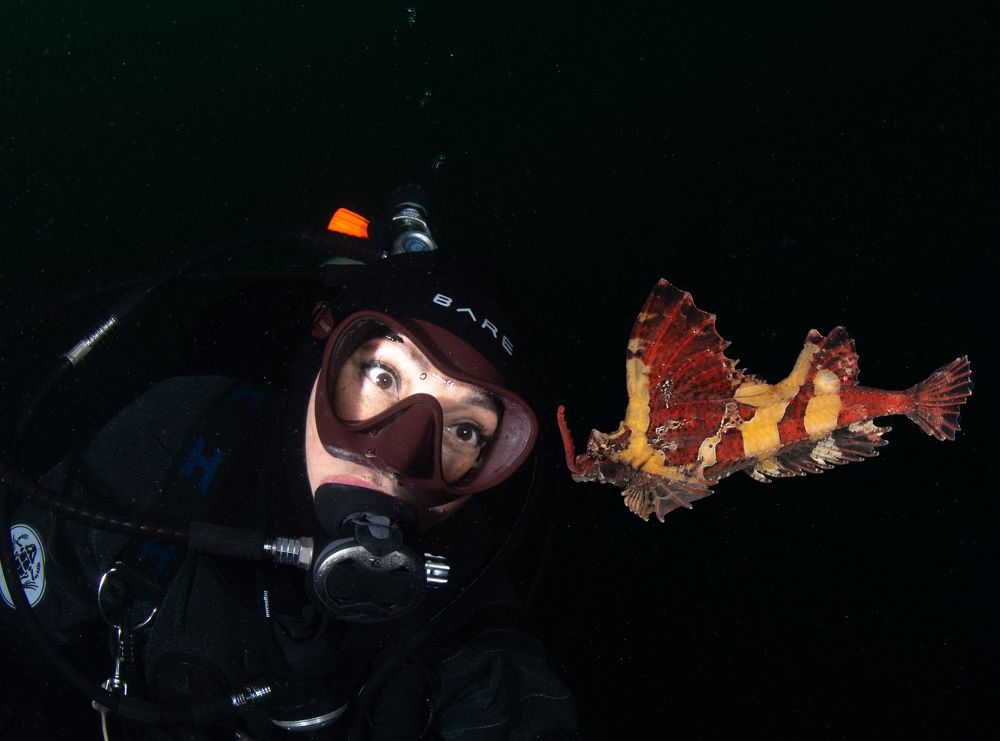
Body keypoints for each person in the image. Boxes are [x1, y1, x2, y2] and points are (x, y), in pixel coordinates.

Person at [0, 195, 578, 740]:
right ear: (322, 362)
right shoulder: (175, 438)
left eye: (465, 429)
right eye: (381, 376)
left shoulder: (467, 579)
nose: (397, 454)